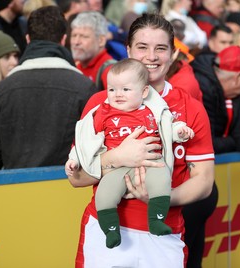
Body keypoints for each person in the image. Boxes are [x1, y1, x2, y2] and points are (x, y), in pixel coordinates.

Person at [68, 13, 215, 268]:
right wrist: (116, 158)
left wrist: (162, 196)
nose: (151, 56)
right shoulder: (100, 103)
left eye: (160, 48)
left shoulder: (191, 108)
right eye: (142, 47)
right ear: (128, 50)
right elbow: (76, 178)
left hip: (163, 235)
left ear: (173, 54)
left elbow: (204, 181)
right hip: (105, 235)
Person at [66, 58, 195, 248]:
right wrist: (73, 159)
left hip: (151, 163)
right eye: (112, 89)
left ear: (143, 92)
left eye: (125, 90)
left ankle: (156, 220)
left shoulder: (151, 111)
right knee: (104, 193)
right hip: (117, 169)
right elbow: (87, 141)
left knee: (162, 180)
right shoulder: (102, 112)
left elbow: (168, 127)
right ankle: (110, 231)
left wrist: (181, 132)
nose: (118, 94)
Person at [0, 6, 97, 169]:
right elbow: (95, 146)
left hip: (14, 187)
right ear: (64, 40)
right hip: (68, 187)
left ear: (28, 39)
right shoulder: (84, 87)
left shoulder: (3, 88)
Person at [70, 11, 116, 90]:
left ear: (101, 40)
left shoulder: (111, 70)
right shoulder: (75, 66)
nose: (76, 42)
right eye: (74, 35)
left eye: (84, 36)